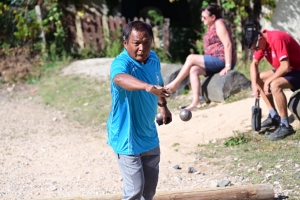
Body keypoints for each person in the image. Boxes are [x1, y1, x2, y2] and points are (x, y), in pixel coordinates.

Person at [106, 21, 172, 200]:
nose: (142, 48)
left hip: (148, 134)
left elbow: (157, 82)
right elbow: (119, 78)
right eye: (136, 43)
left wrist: (163, 106)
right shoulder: (122, 63)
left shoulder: (153, 59)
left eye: (146, 42)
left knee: (149, 191)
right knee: (135, 190)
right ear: (125, 43)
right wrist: (146, 86)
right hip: (126, 136)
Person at [166, 4, 237, 110]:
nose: (202, 19)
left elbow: (228, 44)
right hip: (214, 60)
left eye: (204, 17)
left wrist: (227, 66)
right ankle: (196, 102)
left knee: (191, 58)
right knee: (194, 70)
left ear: (213, 17)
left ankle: (174, 85)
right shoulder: (211, 26)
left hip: (222, 60)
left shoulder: (219, 23)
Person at [244, 28, 300, 141]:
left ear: (259, 38)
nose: (257, 50)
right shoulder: (261, 42)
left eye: (256, 48)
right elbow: (253, 64)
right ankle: (274, 116)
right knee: (259, 78)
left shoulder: (277, 39)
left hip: (297, 70)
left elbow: (285, 67)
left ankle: (285, 125)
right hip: (289, 71)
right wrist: (254, 85)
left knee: (275, 84)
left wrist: (269, 81)